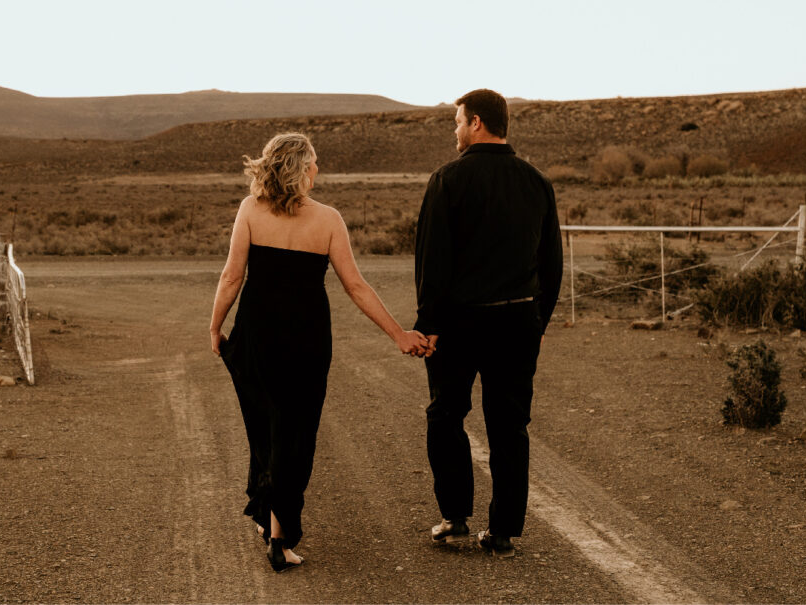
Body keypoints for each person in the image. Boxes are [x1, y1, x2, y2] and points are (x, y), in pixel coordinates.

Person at [210, 132, 429, 572]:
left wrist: (215, 326)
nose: (317, 169)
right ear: (301, 169)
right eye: (313, 162)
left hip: (257, 334)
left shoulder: (250, 209)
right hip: (307, 339)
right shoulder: (328, 219)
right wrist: (398, 334)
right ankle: (278, 535)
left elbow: (232, 276)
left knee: (265, 427)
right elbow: (356, 286)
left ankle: (267, 513)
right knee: (295, 432)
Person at [414, 89, 563, 558]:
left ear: (476, 122)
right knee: (509, 425)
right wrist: (538, 322)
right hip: (518, 320)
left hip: (458, 323)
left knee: (445, 415)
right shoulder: (537, 182)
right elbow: (552, 264)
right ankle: (502, 533)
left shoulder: (448, 180)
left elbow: (432, 261)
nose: (456, 131)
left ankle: (455, 517)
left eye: (458, 122)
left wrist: (428, 323)